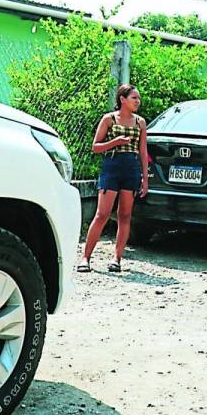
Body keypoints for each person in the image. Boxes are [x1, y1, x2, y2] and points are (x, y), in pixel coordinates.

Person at [78, 84, 149, 273]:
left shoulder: (140, 122)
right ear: (122, 99)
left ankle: (117, 259)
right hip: (112, 166)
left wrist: (145, 178)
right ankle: (86, 258)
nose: (137, 101)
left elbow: (143, 151)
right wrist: (116, 142)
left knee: (124, 215)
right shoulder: (109, 119)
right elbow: (95, 147)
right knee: (102, 214)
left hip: (131, 169)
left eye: (138, 98)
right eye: (134, 97)